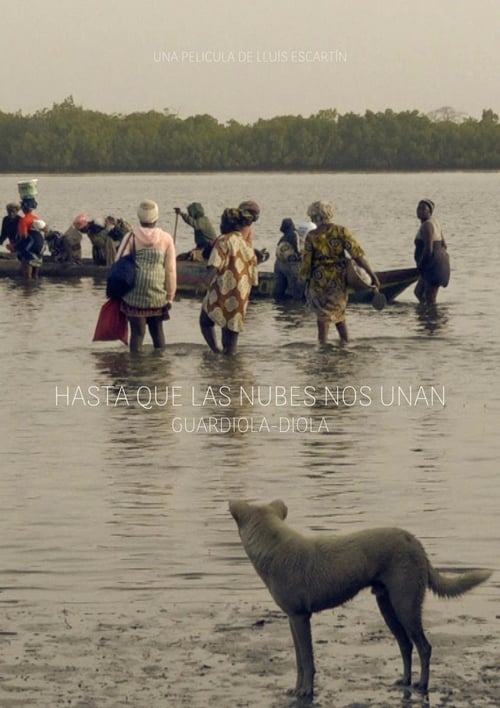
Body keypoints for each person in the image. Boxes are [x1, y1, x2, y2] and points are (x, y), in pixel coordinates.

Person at [300, 200, 380, 344]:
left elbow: (306, 264)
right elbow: (357, 255)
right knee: (339, 314)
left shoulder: (311, 236)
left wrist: (305, 281)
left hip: (318, 281)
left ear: (314, 216)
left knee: (322, 316)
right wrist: (371, 275)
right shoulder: (341, 231)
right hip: (338, 280)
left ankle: (322, 346)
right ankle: (345, 343)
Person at [117, 199, 176, 352]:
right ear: (156, 217)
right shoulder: (166, 238)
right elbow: (170, 270)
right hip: (157, 293)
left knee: (137, 333)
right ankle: (160, 368)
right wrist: (170, 296)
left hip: (134, 294)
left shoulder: (130, 237)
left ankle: (135, 368)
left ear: (139, 216)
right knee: (157, 331)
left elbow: (119, 264)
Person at [199, 206, 258, 355]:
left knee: (205, 321)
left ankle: (216, 351)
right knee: (231, 337)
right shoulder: (247, 246)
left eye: (222, 222)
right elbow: (254, 279)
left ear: (228, 224)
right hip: (241, 296)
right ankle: (231, 370)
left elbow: (214, 265)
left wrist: (204, 283)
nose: (220, 226)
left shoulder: (223, 241)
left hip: (222, 292)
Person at [414, 199, 450, 305]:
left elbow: (428, 249)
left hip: (432, 266)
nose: (419, 211)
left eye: (423, 209)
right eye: (418, 208)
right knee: (418, 292)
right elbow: (444, 245)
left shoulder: (427, 226)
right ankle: (426, 317)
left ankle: (432, 318)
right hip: (436, 264)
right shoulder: (435, 223)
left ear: (430, 212)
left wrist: (421, 266)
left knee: (430, 298)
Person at [273, 218, 304, 300]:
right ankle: (294, 309)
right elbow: (298, 248)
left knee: (279, 289)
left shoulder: (283, 237)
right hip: (290, 265)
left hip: (278, 263)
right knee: (296, 290)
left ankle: (278, 308)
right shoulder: (294, 234)